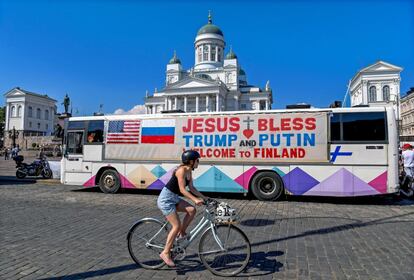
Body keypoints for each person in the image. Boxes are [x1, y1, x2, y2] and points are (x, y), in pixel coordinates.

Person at [157, 150, 206, 267]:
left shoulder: (189, 171)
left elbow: (192, 188)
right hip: (166, 200)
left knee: (192, 210)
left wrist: (204, 197)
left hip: (173, 198)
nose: (198, 162)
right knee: (176, 225)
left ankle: (181, 233)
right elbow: (183, 190)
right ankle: (165, 252)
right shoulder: (181, 170)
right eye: (197, 160)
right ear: (191, 161)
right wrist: (195, 199)